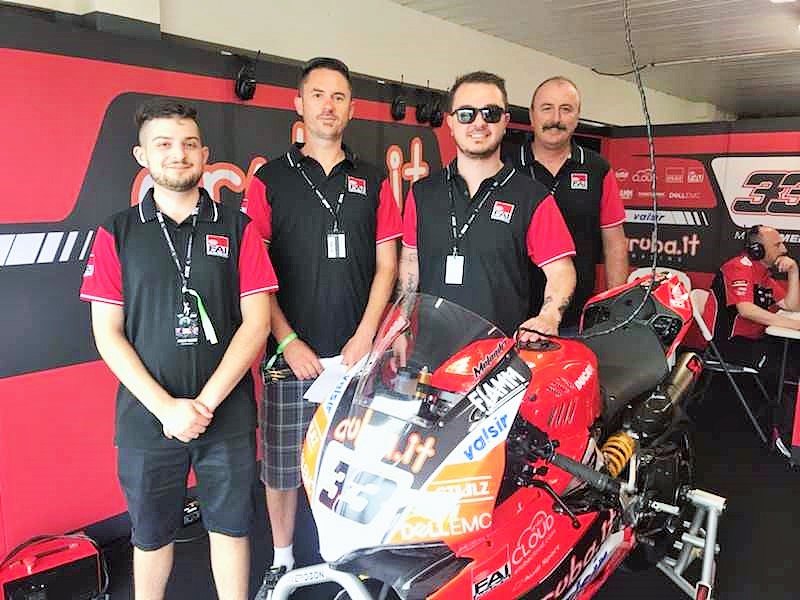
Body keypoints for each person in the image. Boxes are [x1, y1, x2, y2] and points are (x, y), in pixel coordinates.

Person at [80, 99, 277, 600]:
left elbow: (256, 324)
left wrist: (204, 404)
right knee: (149, 536)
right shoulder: (117, 232)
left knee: (231, 528)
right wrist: (167, 408)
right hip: (148, 418)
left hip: (226, 415)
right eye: (163, 144)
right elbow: (107, 334)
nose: (178, 154)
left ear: (205, 154)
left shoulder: (237, 228)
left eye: (189, 144)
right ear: (142, 156)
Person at [242, 57, 402, 584]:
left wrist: (365, 336)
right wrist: (286, 340)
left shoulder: (373, 180)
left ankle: (350, 557)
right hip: (291, 357)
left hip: (359, 357)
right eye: (317, 95)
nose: (328, 106)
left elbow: (387, 267)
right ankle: (282, 558)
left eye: (338, 97)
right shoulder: (269, 180)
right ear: (299, 105)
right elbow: (255, 274)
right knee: (282, 468)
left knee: (358, 463)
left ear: (351, 109)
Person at [398, 71, 576, 342]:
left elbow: (561, 270)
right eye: (466, 114)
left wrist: (549, 315)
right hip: (430, 354)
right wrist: (402, 324)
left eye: (490, 113)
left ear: (505, 121)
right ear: (451, 122)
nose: (478, 123)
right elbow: (411, 262)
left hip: (499, 356)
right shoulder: (422, 193)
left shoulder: (532, 197)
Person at [511, 76, 628, 331]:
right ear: (531, 115)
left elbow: (615, 244)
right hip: (511, 316)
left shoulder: (598, 169)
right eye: (547, 108)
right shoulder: (506, 165)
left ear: (577, 116)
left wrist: (616, 310)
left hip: (576, 319)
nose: (556, 119)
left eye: (566, 109)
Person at [709, 225, 800, 453]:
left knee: (793, 357)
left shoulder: (763, 273)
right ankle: (785, 436)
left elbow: (791, 305)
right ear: (757, 249)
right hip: (729, 345)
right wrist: (793, 325)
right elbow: (746, 310)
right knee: (785, 370)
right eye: (777, 245)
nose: (784, 249)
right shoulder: (738, 267)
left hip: (756, 341)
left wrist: (793, 271)